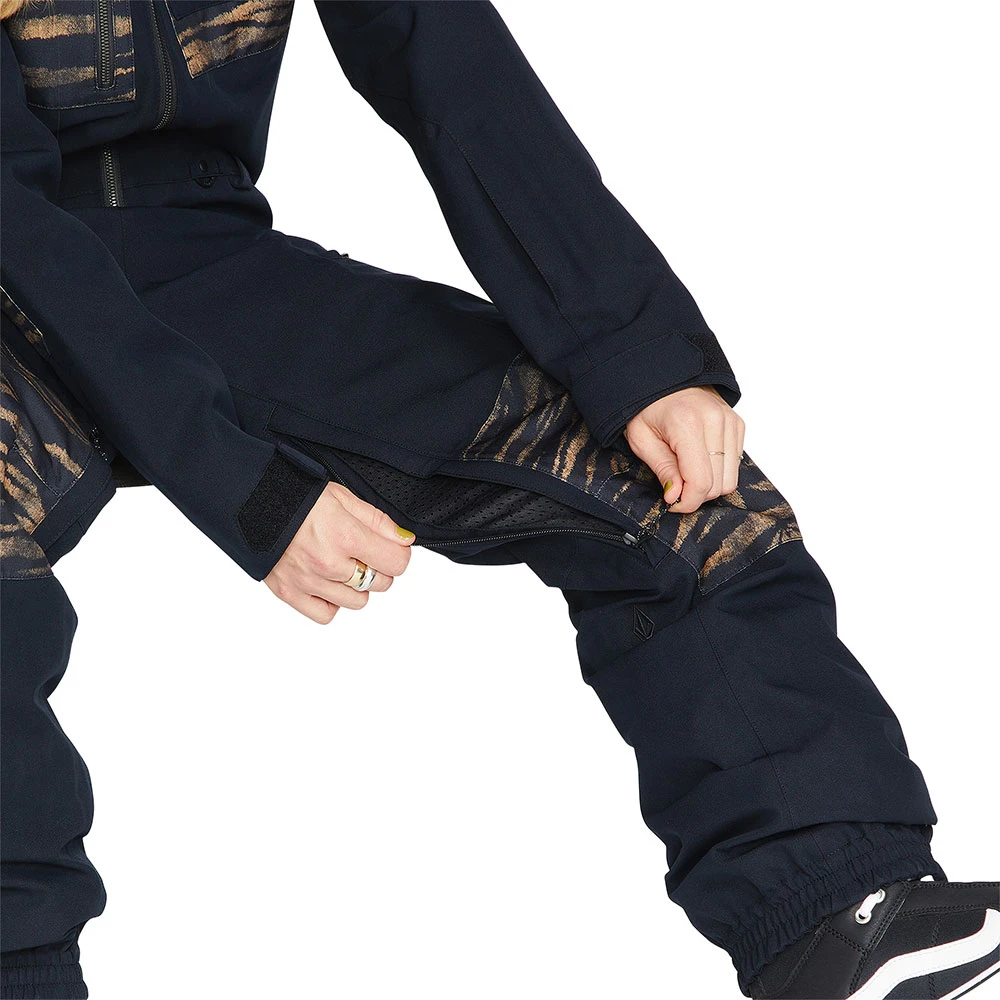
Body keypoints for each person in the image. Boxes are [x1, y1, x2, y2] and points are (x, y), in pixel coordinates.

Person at [0, 2, 995, 998]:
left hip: (193, 247)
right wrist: (248, 491)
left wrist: (635, 353)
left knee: (676, 497)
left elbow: (446, 58)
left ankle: (834, 919)